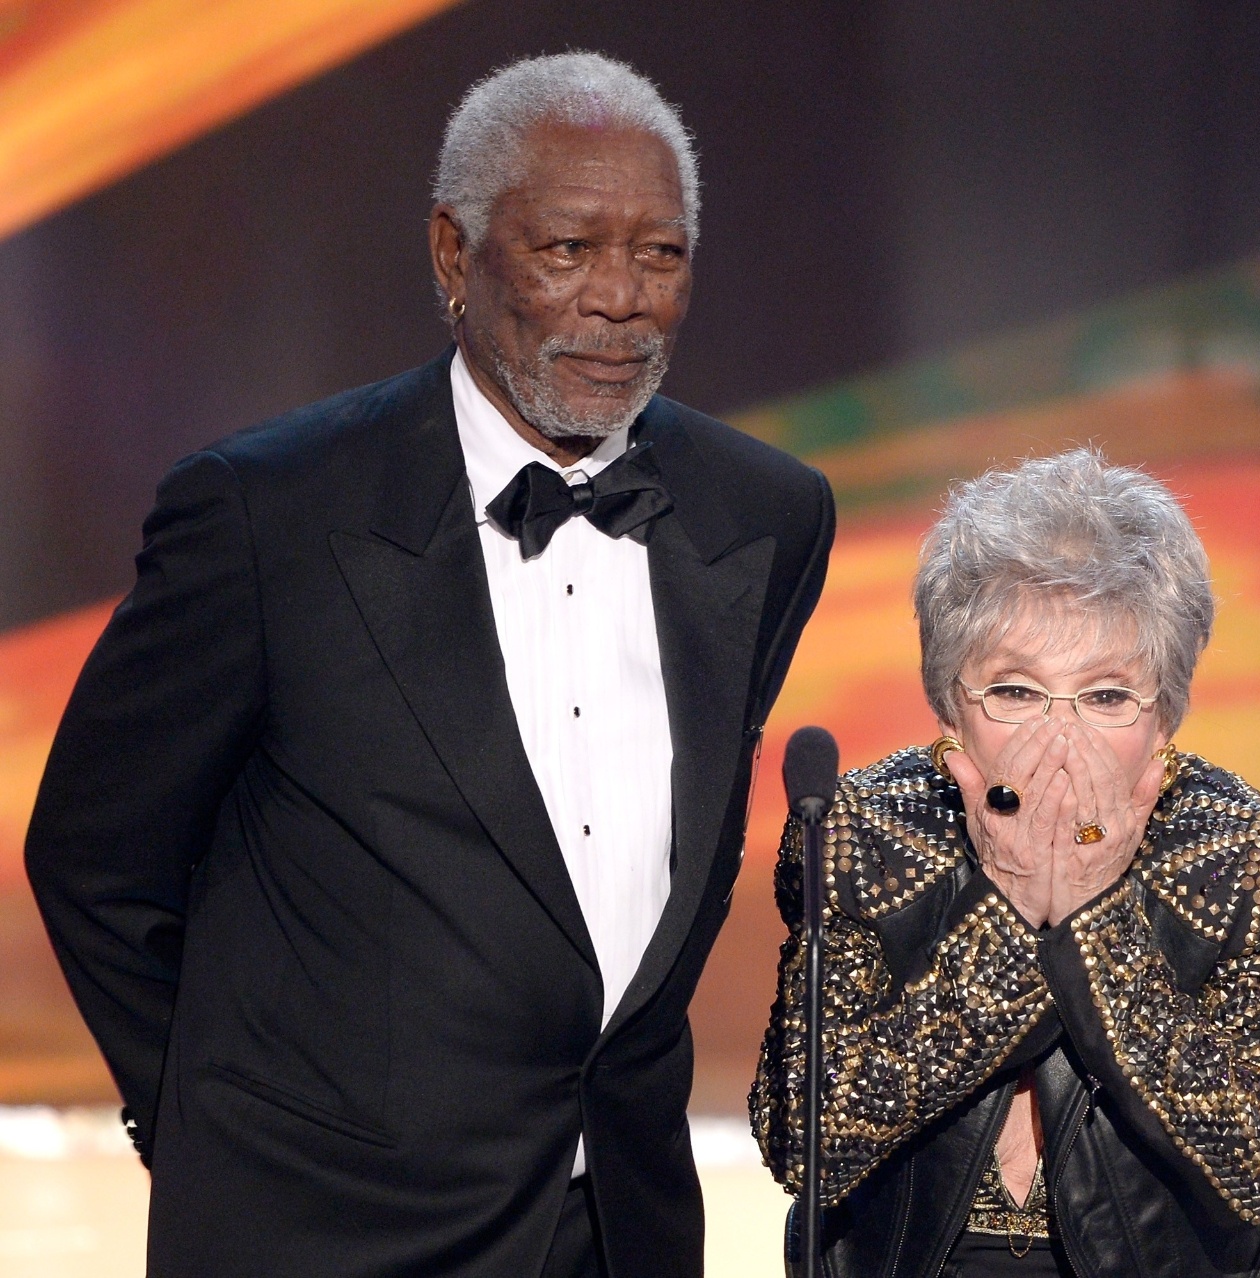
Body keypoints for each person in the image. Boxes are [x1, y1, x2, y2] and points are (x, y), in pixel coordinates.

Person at [25, 52, 832, 1277]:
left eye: (660, 255)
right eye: (570, 250)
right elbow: (96, 855)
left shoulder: (766, 516)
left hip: (623, 1228)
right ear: (455, 256)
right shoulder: (267, 514)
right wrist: (216, 1128)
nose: (622, 299)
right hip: (319, 1233)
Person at [751, 450, 1260, 1278]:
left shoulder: (1247, 850)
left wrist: (1094, 915)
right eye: (1016, 692)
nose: (1061, 740)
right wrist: (1014, 909)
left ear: (1165, 717)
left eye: (1105, 696)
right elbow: (804, 1139)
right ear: (952, 704)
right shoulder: (862, 831)